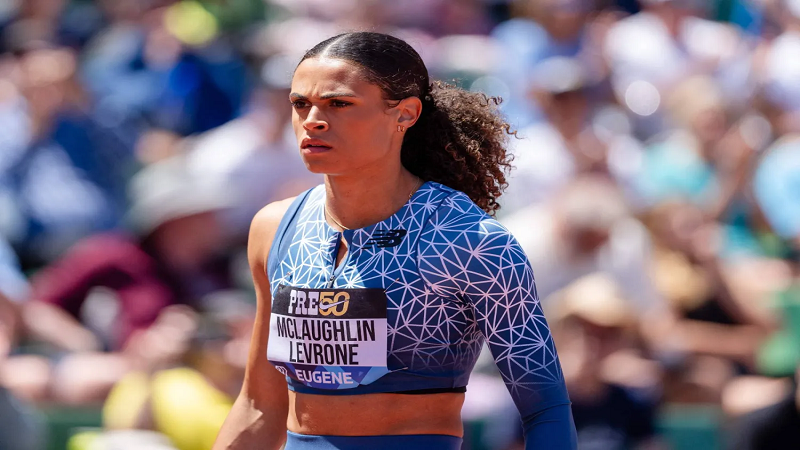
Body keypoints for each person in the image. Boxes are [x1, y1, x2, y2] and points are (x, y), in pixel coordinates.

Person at [214, 32, 577, 450]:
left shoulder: (469, 241)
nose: (312, 120)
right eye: (300, 104)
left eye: (339, 103)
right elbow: (260, 405)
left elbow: (545, 410)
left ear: (405, 113)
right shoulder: (274, 227)